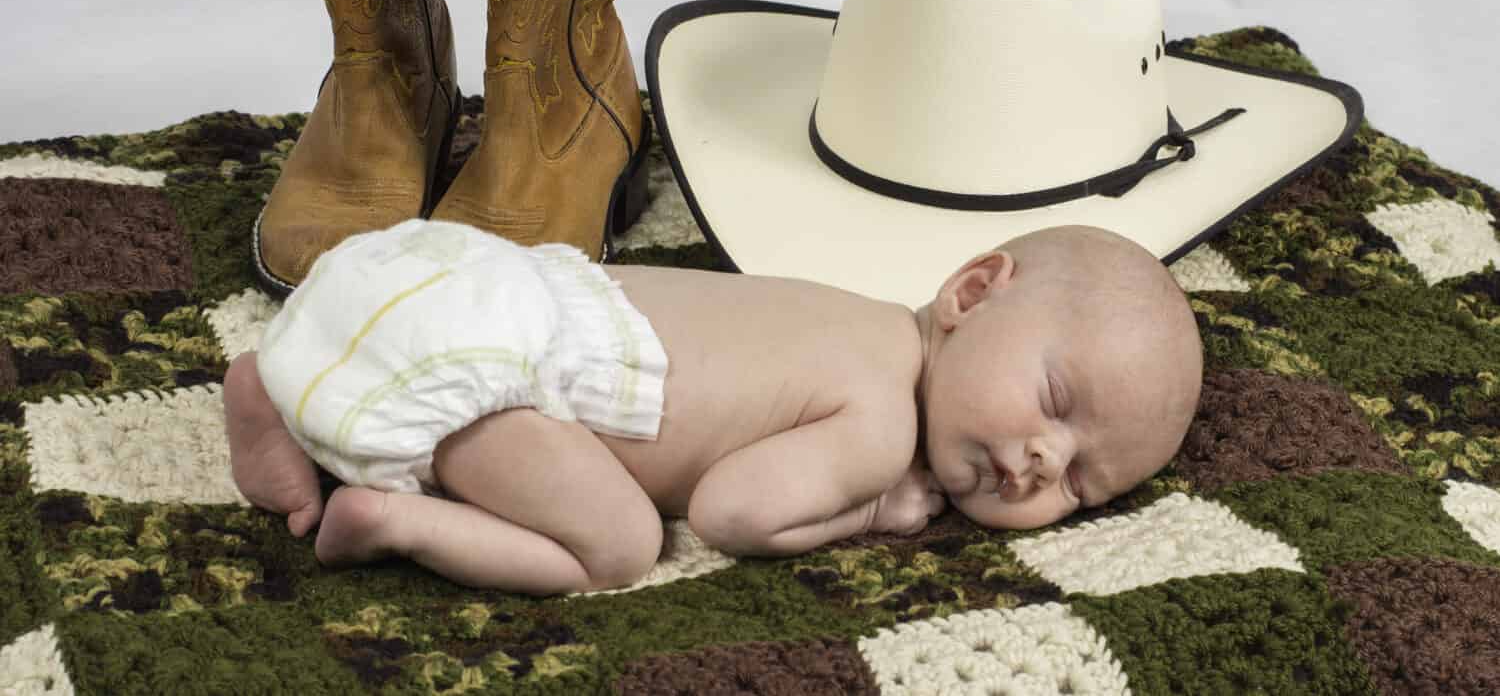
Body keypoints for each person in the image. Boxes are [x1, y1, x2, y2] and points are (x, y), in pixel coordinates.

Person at [224, 218, 1202, 595]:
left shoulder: (843, 308)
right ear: (972, 293)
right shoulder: (882, 424)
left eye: (1078, 481)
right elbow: (735, 513)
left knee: (387, 361)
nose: (1039, 461)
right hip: (507, 376)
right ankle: (392, 517)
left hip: (453, 281)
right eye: (1056, 401)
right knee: (615, 550)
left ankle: (271, 385)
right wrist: (872, 509)